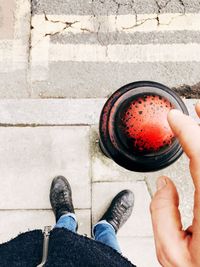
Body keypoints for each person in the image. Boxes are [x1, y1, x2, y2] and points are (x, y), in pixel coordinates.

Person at [0, 102, 199, 267]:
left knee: (60, 237)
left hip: (36, 257)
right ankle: (105, 228)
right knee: (109, 251)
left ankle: (67, 218)